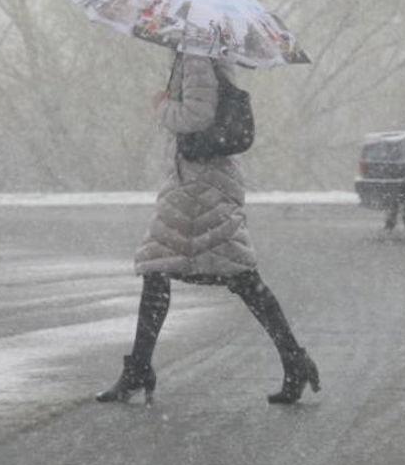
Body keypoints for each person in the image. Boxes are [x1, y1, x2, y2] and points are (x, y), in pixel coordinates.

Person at [96, 51, 320, 405]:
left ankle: (139, 370)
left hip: (200, 186)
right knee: (214, 275)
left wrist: (163, 106)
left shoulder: (196, 54)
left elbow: (197, 116)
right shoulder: (204, 51)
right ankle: (294, 361)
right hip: (200, 181)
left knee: (218, 273)